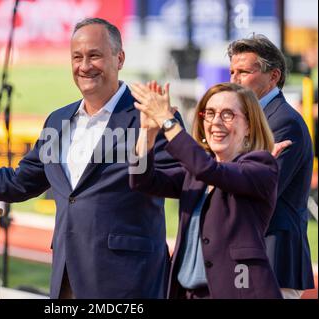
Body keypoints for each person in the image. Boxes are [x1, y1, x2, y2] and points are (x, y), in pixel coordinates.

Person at [0, 18, 183, 299]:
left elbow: (180, 179)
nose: (85, 66)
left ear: (119, 58)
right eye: (77, 57)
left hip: (131, 279)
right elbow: (16, 184)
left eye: (94, 55)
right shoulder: (58, 121)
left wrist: (148, 142)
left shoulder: (149, 114)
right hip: (67, 278)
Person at [129, 82, 282, 299]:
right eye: (209, 113)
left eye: (228, 114)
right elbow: (142, 180)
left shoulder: (261, 166)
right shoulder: (196, 173)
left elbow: (209, 170)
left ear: (249, 125)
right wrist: (147, 133)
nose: (216, 122)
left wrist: (167, 121)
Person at [228, 35, 314, 298]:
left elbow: (262, 192)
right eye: (232, 71)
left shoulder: (283, 122)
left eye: (243, 71)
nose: (234, 79)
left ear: (273, 76)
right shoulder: (254, 118)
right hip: (252, 254)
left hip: (273, 257)